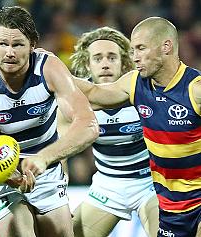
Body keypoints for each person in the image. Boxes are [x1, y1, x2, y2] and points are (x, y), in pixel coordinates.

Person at [0, 6, 98, 237]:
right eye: (3, 44)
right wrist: (15, 177)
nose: (9, 52)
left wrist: (44, 158)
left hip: (47, 170)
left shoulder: (49, 68)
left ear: (32, 44)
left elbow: (88, 125)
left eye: (17, 44)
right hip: (4, 173)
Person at [74, 17, 201, 237]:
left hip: (179, 196)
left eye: (140, 48)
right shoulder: (134, 84)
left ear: (166, 47)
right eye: (132, 50)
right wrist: (47, 70)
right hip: (171, 204)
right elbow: (94, 95)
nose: (134, 57)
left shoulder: (195, 90)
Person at [59, 26, 159, 237]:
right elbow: (59, 155)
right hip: (108, 186)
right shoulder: (73, 102)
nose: (105, 63)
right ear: (87, 64)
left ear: (123, 63)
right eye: (98, 58)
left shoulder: (142, 90)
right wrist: (58, 200)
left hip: (150, 183)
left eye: (112, 57)